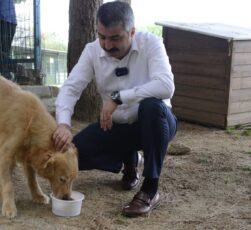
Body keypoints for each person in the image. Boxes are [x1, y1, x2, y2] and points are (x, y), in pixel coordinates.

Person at [53, 1, 177, 218]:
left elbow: (166, 86)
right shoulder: (92, 51)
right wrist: (63, 124)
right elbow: (71, 88)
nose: (107, 45)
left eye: (115, 38)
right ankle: (129, 159)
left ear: (132, 32)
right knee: (72, 156)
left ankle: (150, 189)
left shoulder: (152, 43)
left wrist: (119, 98)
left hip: (157, 122)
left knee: (151, 106)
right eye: (102, 36)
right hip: (118, 127)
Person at [0, 0, 26, 81]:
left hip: (0, 20)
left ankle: (18, 69)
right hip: (11, 21)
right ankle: (10, 79)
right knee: (3, 54)